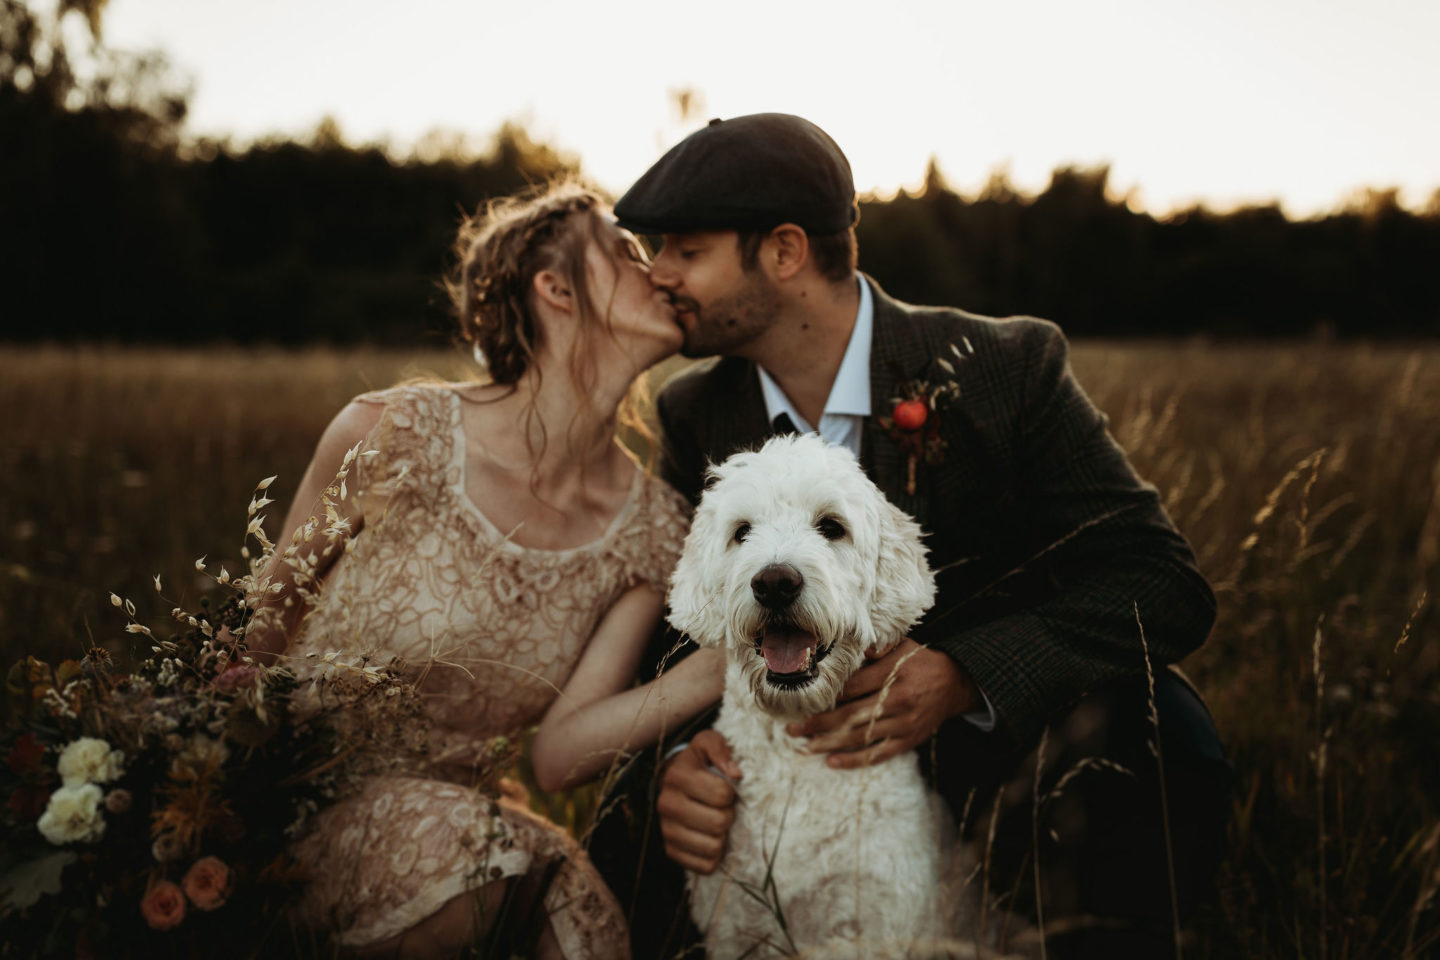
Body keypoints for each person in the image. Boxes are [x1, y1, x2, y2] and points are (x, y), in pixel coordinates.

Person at [590, 114, 1232, 958]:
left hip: (991, 744)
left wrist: (965, 675)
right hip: (788, 751)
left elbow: (1162, 579)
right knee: (623, 825)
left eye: (684, 250)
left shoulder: (1006, 368)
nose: (659, 274)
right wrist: (684, 754)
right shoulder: (694, 409)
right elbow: (681, 629)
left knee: (1169, 733)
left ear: (783, 254)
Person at [242, 182, 723, 959]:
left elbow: (559, 755)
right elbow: (252, 637)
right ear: (555, 287)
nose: (661, 272)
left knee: (589, 927)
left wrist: (725, 666)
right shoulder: (392, 433)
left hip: (463, 832)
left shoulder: (653, 529)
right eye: (628, 253)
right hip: (293, 816)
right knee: (488, 872)